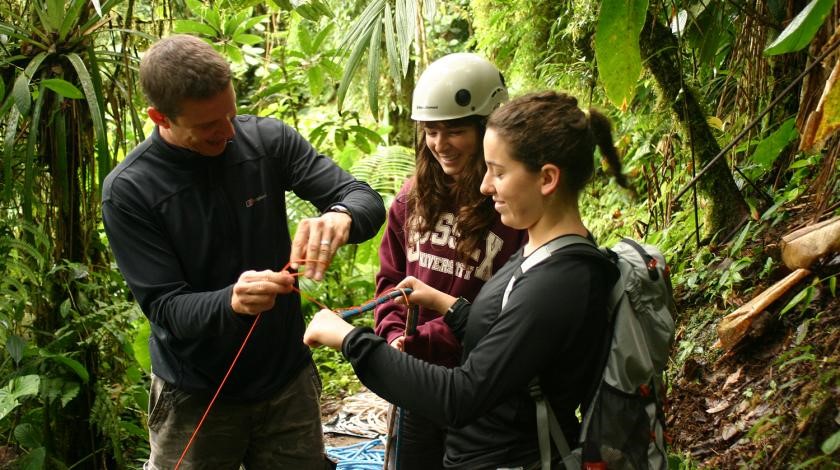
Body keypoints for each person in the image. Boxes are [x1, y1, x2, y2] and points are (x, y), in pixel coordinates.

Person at [101, 34, 385, 469]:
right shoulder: (130, 190)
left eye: (230, 114)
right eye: (209, 125)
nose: (228, 131)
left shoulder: (266, 142)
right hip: (195, 395)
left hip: (285, 380)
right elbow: (165, 307)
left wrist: (341, 217)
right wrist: (230, 301)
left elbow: (361, 195)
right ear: (160, 117)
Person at [305, 91, 629, 469]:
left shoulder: (559, 282)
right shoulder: (539, 252)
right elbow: (503, 333)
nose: (484, 185)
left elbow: (461, 396)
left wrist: (349, 340)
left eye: (499, 171)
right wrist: (445, 304)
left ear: (547, 179)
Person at [374, 53, 526, 469]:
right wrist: (392, 336)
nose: (440, 144)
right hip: (418, 384)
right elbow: (391, 281)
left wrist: (428, 338)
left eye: (455, 131)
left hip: (482, 391)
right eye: (431, 131)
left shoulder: (511, 210)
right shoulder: (411, 200)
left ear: (487, 129)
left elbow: (512, 311)